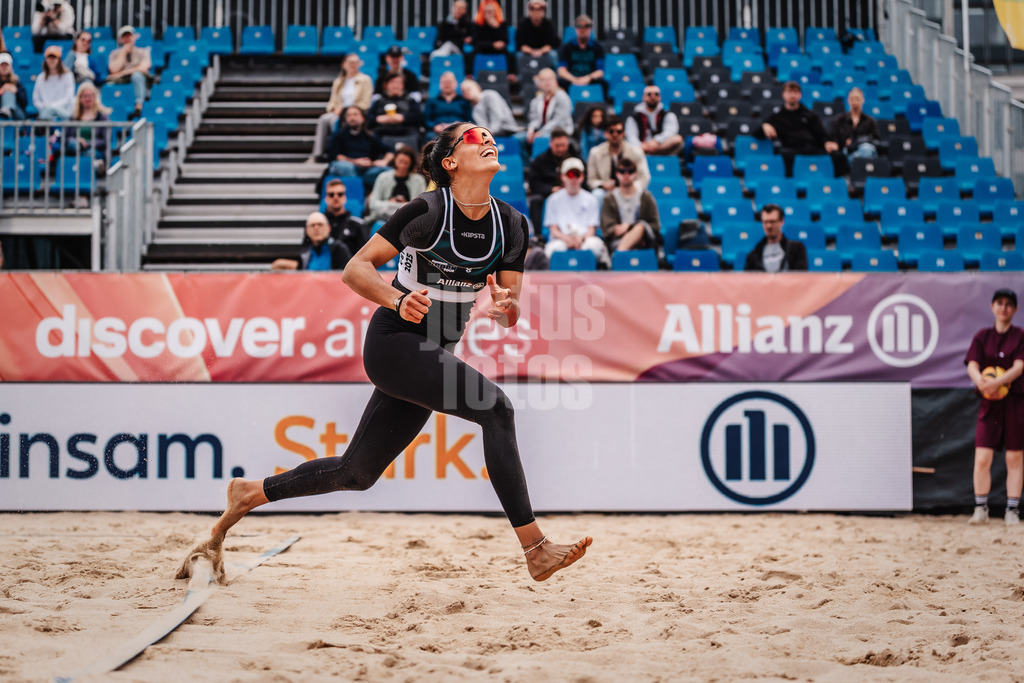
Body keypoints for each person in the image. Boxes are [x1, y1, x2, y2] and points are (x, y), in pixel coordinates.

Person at [178, 122, 592, 584]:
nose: (489, 140)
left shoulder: (512, 225)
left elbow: (510, 308)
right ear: (450, 162)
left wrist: (507, 307)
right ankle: (535, 548)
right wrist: (395, 298)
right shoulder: (425, 212)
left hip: (432, 350)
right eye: (476, 137)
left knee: (356, 472)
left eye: (491, 136)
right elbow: (355, 269)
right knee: (495, 409)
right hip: (395, 342)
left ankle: (249, 493)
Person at [965, 288, 1024, 526]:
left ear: (1015, 310)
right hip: (989, 404)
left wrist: (996, 383)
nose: (1004, 307)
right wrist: (981, 382)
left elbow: (1019, 367)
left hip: (1015, 402)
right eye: (999, 303)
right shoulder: (982, 336)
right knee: (982, 457)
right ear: (992, 306)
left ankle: (1012, 510)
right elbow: (972, 364)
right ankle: (981, 508)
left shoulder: (1020, 336)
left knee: (1014, 458)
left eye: (1009, 304)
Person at [308, 53, 373, 163]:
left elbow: (366, 102)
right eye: (350, 62)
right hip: (339, 111)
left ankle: (335, 152)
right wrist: (335, 109)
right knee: (324, 119)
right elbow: (332, 102)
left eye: (355, 62)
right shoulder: (338, 81)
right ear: (344, 64)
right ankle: (317, 154)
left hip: (356, 112)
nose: (353, 65)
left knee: (336, 121)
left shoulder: (365, 80)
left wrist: (347, 111)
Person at [543, 157, 608, 266]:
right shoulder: (553, 199)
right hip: (561, 239)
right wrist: (567, 239)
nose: (573, 179)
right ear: (563, 177)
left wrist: (580, 240)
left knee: (595, 246)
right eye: (570, 175)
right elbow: (553, 229)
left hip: (584, 240)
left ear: (582, 177)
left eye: (576, 174)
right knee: (550, 251)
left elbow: (591, 229)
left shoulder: (591, 199)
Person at [758, 81, 830, 176]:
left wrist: (827, 142)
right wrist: (765, 125)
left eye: (795, 92)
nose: (792, 95)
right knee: (784, 155)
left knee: (836, 156)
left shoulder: (810, 115)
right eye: (789, 92)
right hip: (790, 150)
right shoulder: (777, 116)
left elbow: (821, 135)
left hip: (810, 149)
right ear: (783, 95)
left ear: (800, 95)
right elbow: (757, 133)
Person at [585, 115, 651, 206]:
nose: (615, 135)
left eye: (619, 132)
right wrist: (602, 185)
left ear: (624, 133)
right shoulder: (595, 153)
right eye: (611, 131)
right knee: (597, 194)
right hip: (606, 191)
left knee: (642, 194)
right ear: (605, 133)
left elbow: (644, 178)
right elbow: (591, 180)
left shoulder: (636, 152)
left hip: (630, 189)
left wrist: (629, 187)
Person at [325, 105, 394, 192]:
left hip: (366, 171)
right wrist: (356, 162)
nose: (352, 117)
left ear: (363, 118)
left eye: (355, 114)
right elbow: (335, 157)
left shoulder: (370, 136)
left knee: (388, 171)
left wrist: (384, 161)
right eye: (348, 115)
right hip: (345, 167)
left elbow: (390, 151)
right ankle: (358, 195)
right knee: (346, 168)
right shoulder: (338, 135)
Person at [526, 127, 579, 234]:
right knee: (535, 200)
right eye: (557, 146)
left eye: (563, 145)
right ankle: (538, 235)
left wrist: (569, 188)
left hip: (572, 192)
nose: (560, 149)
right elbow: (534, 183)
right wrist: (551, 189)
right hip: (548, 192)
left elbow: (582, 178)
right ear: (550, 144)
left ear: (568, 144)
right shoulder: (540, 160)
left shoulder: (575, 159)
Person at [600, 157, 659, 253]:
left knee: (641, 226)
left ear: (635, 174)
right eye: (622, 171)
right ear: (616, 174)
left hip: (644, 240)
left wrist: (629, 227)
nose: (626, 175)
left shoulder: (646, 196)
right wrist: (631, 235)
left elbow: (655, 226)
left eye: (630, 171)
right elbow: (607, 230)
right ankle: (621, 253)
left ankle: (619, 255)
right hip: (618, 240)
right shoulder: (609, 198)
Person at [518, 67, 573, 161]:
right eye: (543, 80)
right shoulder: (536, 100)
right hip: (540, 131)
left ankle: (536, 162)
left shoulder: (562, 97)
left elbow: (558, 121)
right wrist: (531, 130)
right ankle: (526, 164)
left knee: (541, 139)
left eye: (550, 79)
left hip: (559, 131)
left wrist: (541, 133)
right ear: (539, 84)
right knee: (518, 139)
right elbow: (534, 119)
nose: (547, 82)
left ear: (556, 81)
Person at [271, 212, 353, 271]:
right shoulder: (305, 254)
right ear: (307, 230)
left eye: (320, 224)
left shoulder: (339, 249)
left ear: (328, 228)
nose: (316, 228)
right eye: (312, 225)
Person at [365, 145, 428, 223]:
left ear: (410, 164)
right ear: (395, 160)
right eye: (400, 161)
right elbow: (373, 203)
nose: (402, 165)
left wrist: (404, 204)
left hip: (408, 216)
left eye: (406, 163)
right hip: (385, 216)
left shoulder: (419, 180)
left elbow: (420, 206)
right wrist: (390, 202)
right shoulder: (382, 178)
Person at [825, 86, 879, 174]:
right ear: (848, 100)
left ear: (863, 100)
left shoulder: (870, 121)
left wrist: (855, 142)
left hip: (865, 152)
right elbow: (833, 140)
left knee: (867, 149)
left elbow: (876, 140)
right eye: (852, 98)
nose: (855, 101)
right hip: (845, 154)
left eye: (857, 98)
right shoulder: (839, 120)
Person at [367, 72, 424, 149]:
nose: (395, 85)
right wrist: (378, 119)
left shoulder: (410, 100)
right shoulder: (379, 101)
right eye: (392, 82)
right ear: (386, 85)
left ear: (402, 85)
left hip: (406, 131)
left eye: (398, 82)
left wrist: (403, 118)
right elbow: (368, 119)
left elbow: (419, 117)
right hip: (383, 131)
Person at [743, 203, 807, 272]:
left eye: (772, 221)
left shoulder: (796, 249)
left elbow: (800, 278)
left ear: (782, 221)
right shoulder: (754, 255)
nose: (769, 226)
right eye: (765, 222)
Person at [556, 14, 607, 99]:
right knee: (559, 82)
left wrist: (588, 78)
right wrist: (574, 79)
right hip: (571, 79)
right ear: (575, 29)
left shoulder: (598, 47)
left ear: (591, 29)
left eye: (586, 26)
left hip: (590, 79)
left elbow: (600, 71)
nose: (583, 29)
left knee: (603, 83)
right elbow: (561, 70)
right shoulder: (566, 47)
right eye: (579, 26)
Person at [624, 85, 684, 156]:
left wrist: (656, 141)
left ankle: (651, 152)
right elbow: (631, 137)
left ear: (660, 97)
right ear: (643, 97)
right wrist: (642, 146)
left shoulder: (668, 114)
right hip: (640, 148)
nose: (653, 97)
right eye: (649, 94)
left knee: (677, 139)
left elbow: (670, 131)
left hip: (661, 146)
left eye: (656, 94)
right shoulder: (633, 117)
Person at [106, 25, 152, 117]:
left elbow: (143, 68)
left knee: (137, 76)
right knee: (109, 85)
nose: (127, 38)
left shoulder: (143, 51)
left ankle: (139, 105)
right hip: (122, 80)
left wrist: (120, 73)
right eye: (124, 36)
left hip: (137, 78)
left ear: (134, 37)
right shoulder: (114, 53)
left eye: (129, 36)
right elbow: (113, 69)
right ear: (120, 40)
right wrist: (123, 52)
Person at [319, 178, 368, 256]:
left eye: (340, 194)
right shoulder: (317, 225)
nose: (336, 197)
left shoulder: (357, 225)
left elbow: (365, 255)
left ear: (345, 197)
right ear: (326, 198)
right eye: (331, 194)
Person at [472, 0, 515, 77]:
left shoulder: (502, 24)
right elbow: (476, 41)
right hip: (484, 48)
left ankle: (511, 75)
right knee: (472, 54)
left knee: (509, 54)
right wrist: (492, 45)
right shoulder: (478, 24)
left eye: (491, 11)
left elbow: (505, 40)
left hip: (498, 49)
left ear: (495, 12)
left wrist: (496, 27)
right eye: (487, 11)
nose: (489, 14)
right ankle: (471, 75)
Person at [424, 71, 472, 141]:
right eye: (444, 82)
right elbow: (426, 120)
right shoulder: (432, 101)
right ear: (440, 84)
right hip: (437, 133)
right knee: (429, 137)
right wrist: (435, 127)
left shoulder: (464, 101)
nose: (447, 84)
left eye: (449, 82)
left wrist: (461, 126)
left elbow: (469, 120)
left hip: (459, 132)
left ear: (456, 84)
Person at [33, 45, 76, 121]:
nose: (51, 60)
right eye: (49, 57)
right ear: (45, 59)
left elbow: (68, 98)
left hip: (64, 112)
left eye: (54, 57)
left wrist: (51, 107)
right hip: (45, 111)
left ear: (59, 59)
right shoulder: (40, 77)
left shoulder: (68, 76)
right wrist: (46, 107)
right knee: (45, 114)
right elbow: (36, 99)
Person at [0, 53, 29, 121]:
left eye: (6, 65)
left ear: (10, 67)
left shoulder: (17, 82)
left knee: (9, 93)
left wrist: (16, 91)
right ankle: (6, 110)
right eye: (2, 65)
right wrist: (2, 91)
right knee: (8, 93)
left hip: (17, 113)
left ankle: (7, 110)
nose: (4, 67)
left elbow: (24, 103)